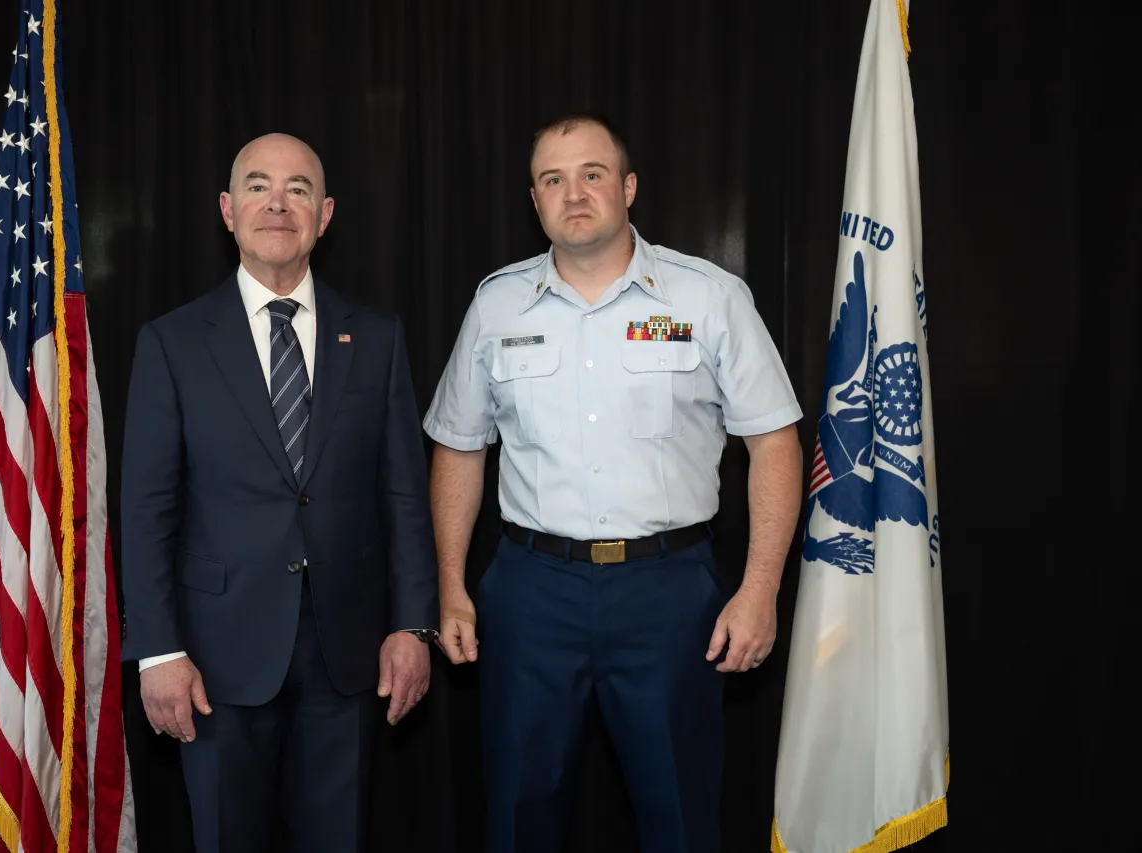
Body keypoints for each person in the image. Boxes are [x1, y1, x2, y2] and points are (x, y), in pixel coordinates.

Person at [424, 114, 804, 853]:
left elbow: (775, 442)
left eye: (593, 173)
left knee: (680, 819)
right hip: (532, 594)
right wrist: (449, 584)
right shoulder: (496, 306)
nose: (575, 193)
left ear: (628, 188)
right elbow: (459, 449)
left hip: (668, 595)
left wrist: (760, 589)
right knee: (516, 816)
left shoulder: (707, 298)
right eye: (553, 180)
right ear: (533, 201)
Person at [119, 132, 438, 853]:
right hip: (214, 658)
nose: (278, 203)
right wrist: (157, 649)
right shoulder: (172, 342)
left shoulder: (378, 338)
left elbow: (403, 496)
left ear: (325, 215)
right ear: (228, 210)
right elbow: (145, 509)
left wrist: (413, 624)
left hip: (349, 653)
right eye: (259, 186)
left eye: (299, 189)